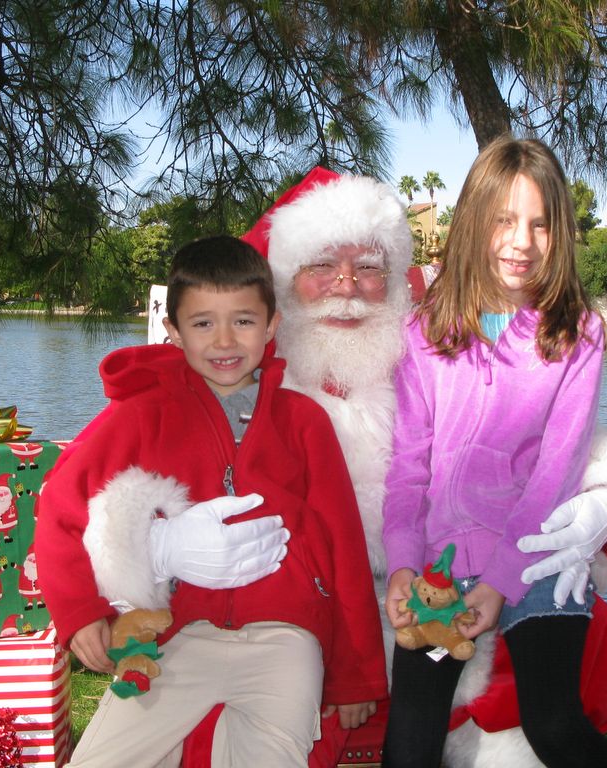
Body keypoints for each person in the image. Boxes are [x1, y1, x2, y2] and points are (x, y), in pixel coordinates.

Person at [175, 166, 607, 768]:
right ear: (284, 286)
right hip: (372, 601)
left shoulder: (435, 336)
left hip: (511, 567)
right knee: (408, 738)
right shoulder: (245, 378)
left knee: (550, 722)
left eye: (369, 267)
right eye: (323, 266)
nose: (347, 286)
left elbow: (557, 453)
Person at [35, 236, 387, 768]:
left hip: (285, 641)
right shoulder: (140, 415)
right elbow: (62, 505)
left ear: (271, 326)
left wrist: (356, 673)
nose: (224, 340)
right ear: (173, 331)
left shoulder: (303, 421)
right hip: (176, 638)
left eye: (243, 320)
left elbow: (343, 548)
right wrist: (81, 612)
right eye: (202, 323)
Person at [379, 137, 607, 767]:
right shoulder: (425, 331)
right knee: (408, 741)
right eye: (504, 220)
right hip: (441, 569)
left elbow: (556, 471)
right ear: (474, 222)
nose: (522, 241)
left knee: (554, 725)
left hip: (540, 558)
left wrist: (501, 580)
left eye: (540, 224)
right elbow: (408, 467)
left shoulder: (576, 333)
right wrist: (405, 564)